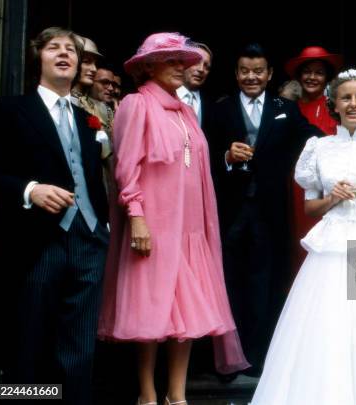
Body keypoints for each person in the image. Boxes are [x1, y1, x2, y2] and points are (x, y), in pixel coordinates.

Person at [251, 68, 356, 404]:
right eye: (346, 97)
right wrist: (333, 199)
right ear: (334, 103)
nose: (353, 104)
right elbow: (311, 207)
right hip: (333, 241)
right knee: (329, 325)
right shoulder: (319, 148)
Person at [97, 32, 249, 405]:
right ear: (149, 66)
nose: (183, 66)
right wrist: (136, 217)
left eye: (184, 60)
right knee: (149, 312)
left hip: (189, 228)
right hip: (154, 224)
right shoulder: (136, 104)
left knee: (188, 315)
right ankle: (147, 394)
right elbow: (126, 167)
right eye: (172, 60)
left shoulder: (185, 112)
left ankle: (176, 396)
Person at [0, 27, 109, 405]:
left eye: (71, 50)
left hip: (88, 240)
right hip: (37, 243)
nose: (64, 54)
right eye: (53, 48)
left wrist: (103, 225)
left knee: (79, 347)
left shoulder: (88, 120)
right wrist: (30, 190)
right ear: (37, 57)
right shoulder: (9, 108)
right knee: (28, 342)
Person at [208, 43, 322, 374]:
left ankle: (258, 360)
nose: (251, 77)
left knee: (264, 283)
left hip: (270, 211)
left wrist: (350, 140)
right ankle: (228, 360)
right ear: (236, 73)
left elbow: (312, 139)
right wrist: (227, 158)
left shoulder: (284, 106)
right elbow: (202, 155)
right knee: (229, 282)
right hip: (229, 210)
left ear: (269, 74)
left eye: (258, 71)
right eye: (245, 70)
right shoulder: (220, 109)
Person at [284, 46, 343, 274]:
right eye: (307, 72)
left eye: (318, 72)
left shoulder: (336, 108)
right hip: (297, 186)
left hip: (330, 186)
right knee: (299, 240)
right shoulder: (290, 108)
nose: (312, 77)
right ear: (299, 76)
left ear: (327, 77)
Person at [177, 41, 213, 131]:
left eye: (206, 66)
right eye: (196, 62)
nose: (201, 69)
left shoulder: (212, 104)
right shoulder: (166, 95)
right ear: (182, 63)